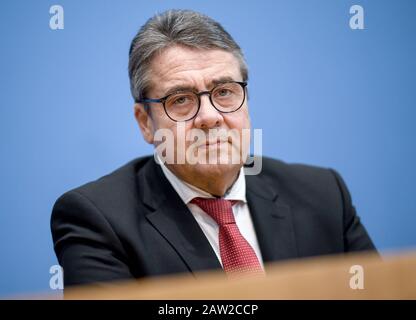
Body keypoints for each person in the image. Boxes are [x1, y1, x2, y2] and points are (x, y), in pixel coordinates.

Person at [51, 9, 376, 287]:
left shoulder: (324, 196)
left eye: (224, 92)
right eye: (180, 100)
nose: (210, 117)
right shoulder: (97, 220)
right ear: (145, 122)